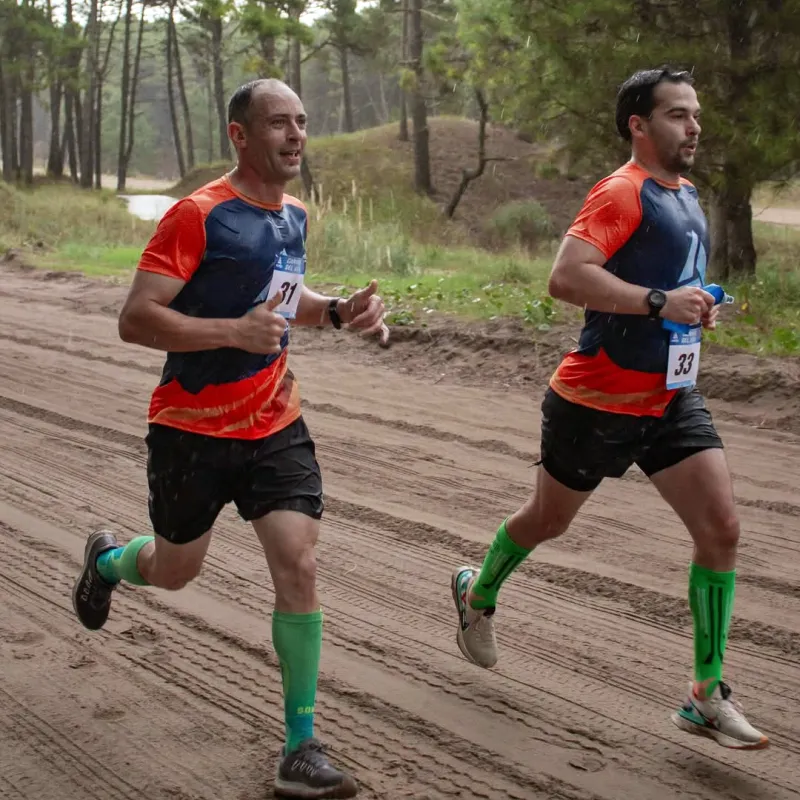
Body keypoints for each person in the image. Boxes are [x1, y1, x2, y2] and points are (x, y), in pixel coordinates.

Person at [71, 78, 388, 799]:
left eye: (302, 122)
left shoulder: (294, 216)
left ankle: (301, 745)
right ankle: (110, 563)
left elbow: (282, 300)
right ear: (240, 136)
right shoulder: (197, 215)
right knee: (176, 568)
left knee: (299, 563)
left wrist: (336, 312)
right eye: (279, 123)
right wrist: (230, 333)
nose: (296, 135)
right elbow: (137, 317)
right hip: (190, 429)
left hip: (273, 420)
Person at [450, 67, 769, 751]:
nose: (694, 127)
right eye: (678, 115)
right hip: (594, 402)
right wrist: (657, 303)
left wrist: (693, 307)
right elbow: (567, 277)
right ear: (638, 124)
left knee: (723, 528)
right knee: (548, 520)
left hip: (670, 398)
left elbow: (670, 286)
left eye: (696, 115)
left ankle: (704, 695)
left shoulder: (686, 196)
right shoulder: (621, 192)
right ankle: (478, 592)